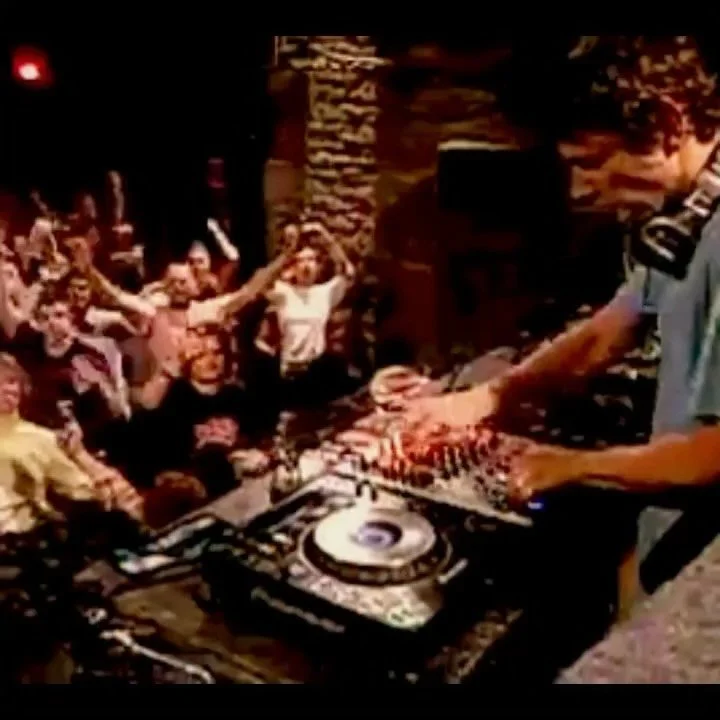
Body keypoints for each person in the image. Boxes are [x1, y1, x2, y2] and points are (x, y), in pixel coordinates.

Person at [402, 36, 720, 597]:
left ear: (670, 125)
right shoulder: (685, 222)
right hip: (664, 542)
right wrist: (491, 395)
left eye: (591, 163)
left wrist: (570, 466)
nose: (578, 191)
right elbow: (607, 331)